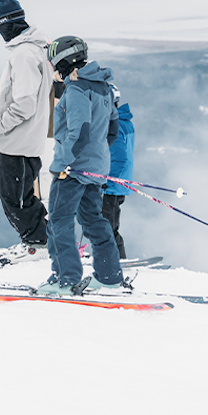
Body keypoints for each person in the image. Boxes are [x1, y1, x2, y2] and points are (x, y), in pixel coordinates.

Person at [38, 36, 128, 296]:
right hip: (95, 168)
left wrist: (62, 164)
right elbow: (112, 130)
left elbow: (79, 132)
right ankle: (109, 276)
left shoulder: (76, 90)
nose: (52, 69)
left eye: (53, 63)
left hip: (73, 169)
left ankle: (64, 279)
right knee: (92, 220)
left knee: (58, 221)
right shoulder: (104, 89)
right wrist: (95, 158)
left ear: (63, 62)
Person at [0, 0, 52, 254]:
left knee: (15, 198)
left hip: (19, 141)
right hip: (23, 140)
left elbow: (24, 104)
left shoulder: (24, 54)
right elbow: (18, 96)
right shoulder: (32, 50)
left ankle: (41, 243)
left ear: (7, 24)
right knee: (19, 195)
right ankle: (42, 240)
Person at [101, 84, 135, 260]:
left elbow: (120, 157)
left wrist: (106, 180)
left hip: (112, 186)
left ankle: (115, 260)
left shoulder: (114, 125)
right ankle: (113, 258)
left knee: (107, 226)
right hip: (118, 183)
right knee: (108, 224)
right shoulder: (124, 122)